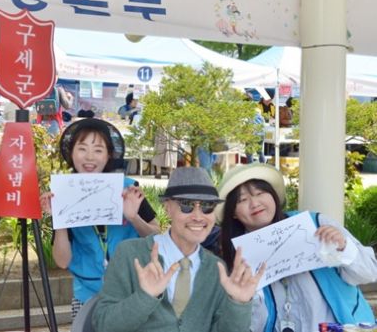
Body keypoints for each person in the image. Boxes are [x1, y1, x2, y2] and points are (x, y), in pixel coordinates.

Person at [91, 166, 264, 332]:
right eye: (187, 205)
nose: (198, 216)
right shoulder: (130, 254)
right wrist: (145, 297)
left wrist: (239, 304)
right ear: (167, 207)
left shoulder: (216, 268)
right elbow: (103, 324)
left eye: (207, 206)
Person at [217, 164, 377, 332]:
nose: (254, 203)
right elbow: (251, 325)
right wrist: (244, 300)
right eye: (242, 200)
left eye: (260, 193)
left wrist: (344, 247)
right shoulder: (239, 257)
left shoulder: (315, 224)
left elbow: (369, 273)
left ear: (273, 196)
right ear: (233, 212)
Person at [39, 118, 160, 317]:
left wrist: (134, 217)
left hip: (132, 291)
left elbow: (157, 238)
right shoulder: (64, 194)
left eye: (98, 150)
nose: (89, 157)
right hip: (86, 296)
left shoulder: (128, 188)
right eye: (82, 148)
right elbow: (62, 261)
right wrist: (59, 219)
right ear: (71, 152)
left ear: (108, 154)